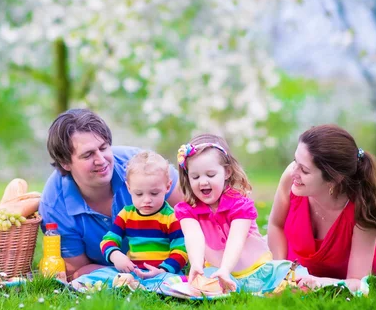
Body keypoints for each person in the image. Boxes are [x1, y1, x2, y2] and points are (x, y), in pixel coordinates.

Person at [39, 109, 183, 280]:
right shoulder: (55, 206)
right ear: (65, 163)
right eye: (88, 154)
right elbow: (76, 271)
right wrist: (129, 276)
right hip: (111, 272)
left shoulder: (141, 167)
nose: (101, 160)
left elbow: (193, 211)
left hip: (164, 268)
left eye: (103, 148)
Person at [175, 134, 306, 294]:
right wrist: (196, 264)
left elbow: (236, 239)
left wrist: (225, 269)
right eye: (195, 176)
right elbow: (193, 236)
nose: (203, 181)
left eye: (210, 175)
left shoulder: (239, 204)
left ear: (227, 172)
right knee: (201, 286)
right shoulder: (188, 210)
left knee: (295, 279)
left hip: (258, 270)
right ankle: (228, 287)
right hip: (217, 273)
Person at [267, 124, 376, 292]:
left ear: (334, 179)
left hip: (337, 280)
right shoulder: (290, 178)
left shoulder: (363, 207)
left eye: (305, 170)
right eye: (295, 162)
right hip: (293, 273)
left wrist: (318, 283)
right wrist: (278, 271)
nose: (294, 172)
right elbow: (275, 224)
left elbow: (358, 282)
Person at [70, 151, 188, 290]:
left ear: (167, 187)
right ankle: (82, 285)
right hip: (132, 272)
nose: (147, 199)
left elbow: (181, 250)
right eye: (139, 193)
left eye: (154, 193)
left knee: (175, 282)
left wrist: (162, 270)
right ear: (129, 188)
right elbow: (108, 240)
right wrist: (115, 255)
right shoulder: (126, 214)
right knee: (103, 273)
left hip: (162, 273)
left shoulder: (171, 217)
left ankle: (151, 287)